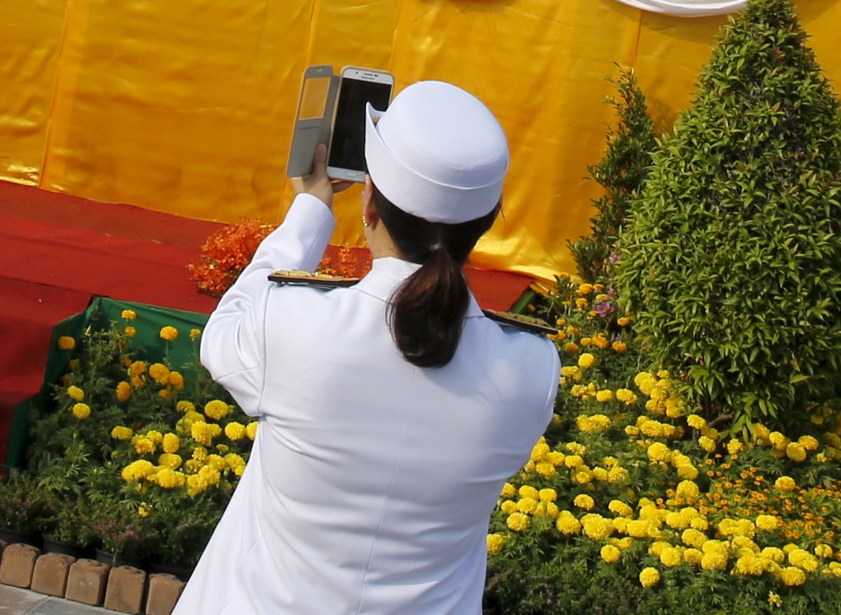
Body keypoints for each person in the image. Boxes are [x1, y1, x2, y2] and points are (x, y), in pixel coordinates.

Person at [178, 81, 559, 614]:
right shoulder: (531, 367)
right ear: (488, 223)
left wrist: (310, 210)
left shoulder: (290, 323)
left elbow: (224, 332)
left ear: (370, 203)